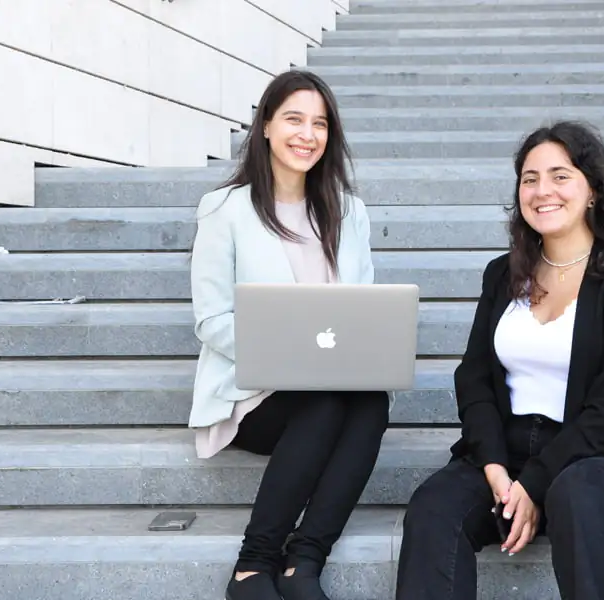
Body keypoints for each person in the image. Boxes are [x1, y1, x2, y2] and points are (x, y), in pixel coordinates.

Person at [395, 120, 604, 600]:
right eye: (529, 178)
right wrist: (493, 466)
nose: (541, 190)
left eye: (560, 175)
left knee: (578, 495)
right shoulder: (503, 273)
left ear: (593, 189)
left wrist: (534, 483)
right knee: (433, 506)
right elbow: (473, 378)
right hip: (503, 453)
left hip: (599, 458)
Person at [187, 70, 389, 600]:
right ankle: (253, 565)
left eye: (320, 123)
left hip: (329, 383)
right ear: (266, 127)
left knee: (371, 402)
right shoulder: (224, 210)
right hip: (253, 392)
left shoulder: (350, 213)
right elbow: (211, 320)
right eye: (294, 119)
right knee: (323, 400)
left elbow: (361, 311)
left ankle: (305, 563)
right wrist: (287, 359)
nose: (307, 134)